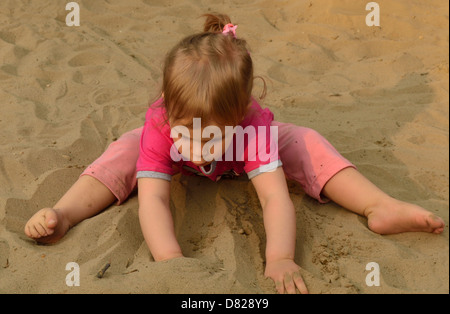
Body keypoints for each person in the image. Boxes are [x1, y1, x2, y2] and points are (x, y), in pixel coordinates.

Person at [24, 14, 445, 294]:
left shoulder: (253, 126)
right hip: (167, 154)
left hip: (245, 157)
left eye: (213, 132)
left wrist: (279, 258)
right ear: (169, 109)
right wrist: (170, 259)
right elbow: (152, 198)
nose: (199, 140)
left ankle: (379, 205)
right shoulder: (161, 124)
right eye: (187, 127)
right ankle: (64, 213)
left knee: (305, 141)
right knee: (123, 150)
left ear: (240, 114)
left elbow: (274, 197)